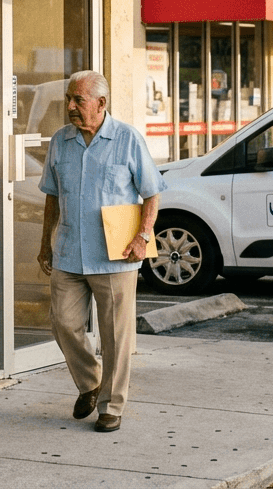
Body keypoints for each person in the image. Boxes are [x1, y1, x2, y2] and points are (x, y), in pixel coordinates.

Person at [36, 70, 165, 433]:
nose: (71, 107)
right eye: (69, 99)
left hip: (117, 254)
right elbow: (51, 195)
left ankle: (111, 405)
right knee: (63, 323)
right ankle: (90, 382)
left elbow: (152, 192)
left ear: (101, 103)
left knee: (115, 336)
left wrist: (143, 236)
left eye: (78, 100)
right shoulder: (61, 141)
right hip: (69, 250)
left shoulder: (127, 140)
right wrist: (46, 242)